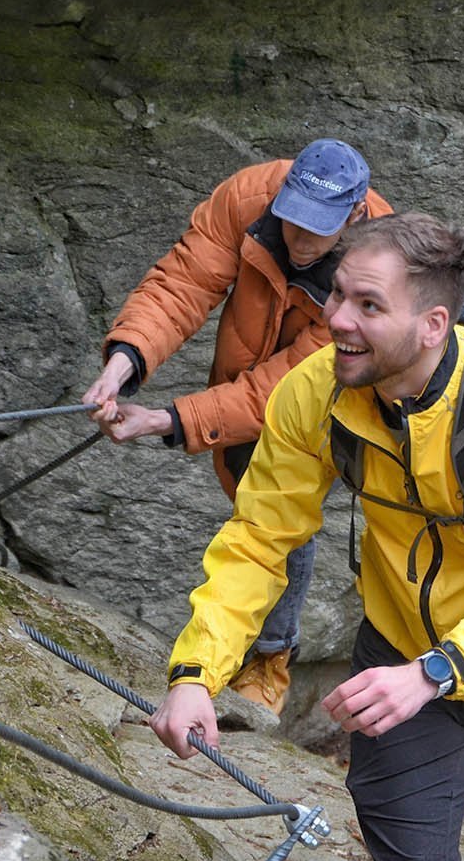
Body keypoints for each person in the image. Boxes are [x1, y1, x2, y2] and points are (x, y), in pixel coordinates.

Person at [150, 213, 464, 861]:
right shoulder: (317, 391)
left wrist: (436, 670)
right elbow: (259, 537)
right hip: (400, 645)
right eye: (337, 296)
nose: (335, 320)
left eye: (368, 305)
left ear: (432, 324)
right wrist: (194, 674)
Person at [82, 140, 392, 715]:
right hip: (249, 375)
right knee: (252, 500)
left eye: (317, 231)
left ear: (354, 217)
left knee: (282, 511)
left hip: (329, 398)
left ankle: (267, 663)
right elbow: (183, 284)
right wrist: (122, 365)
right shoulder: (250, 198)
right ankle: (229, 657)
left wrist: (169, 420)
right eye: (292, 221)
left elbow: (290, 385)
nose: (299, 241)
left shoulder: (379, 276)